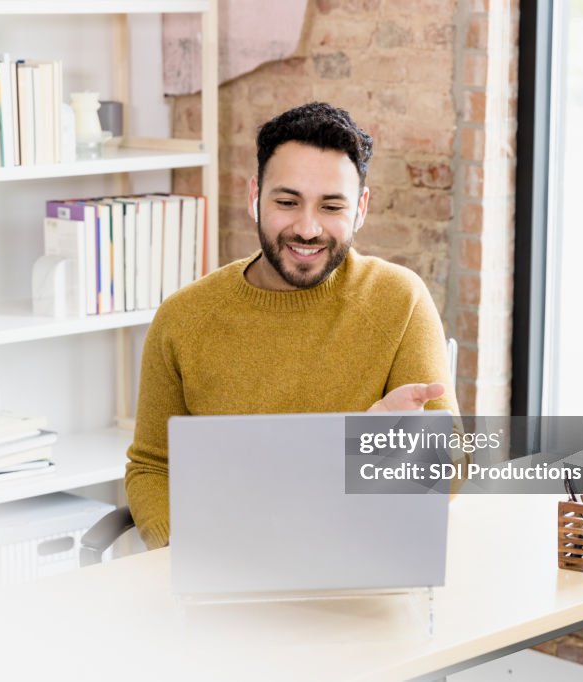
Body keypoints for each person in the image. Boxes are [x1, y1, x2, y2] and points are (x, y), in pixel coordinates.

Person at [126, 102, 460, 549]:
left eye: (331, 206)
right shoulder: (184, 319)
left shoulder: (398, 300)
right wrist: (181, 551)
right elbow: (153, 466)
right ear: (254, 197)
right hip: (223, 569)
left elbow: (449, 471)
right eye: (287, 202)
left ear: (360, 209)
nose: (307, 228)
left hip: (359, 566)